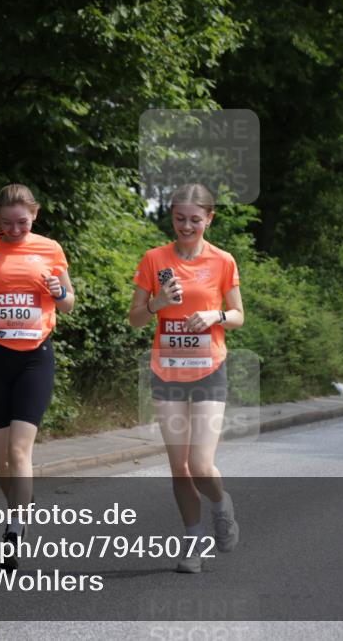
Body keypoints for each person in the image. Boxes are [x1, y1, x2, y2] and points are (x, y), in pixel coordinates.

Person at [0, 183, 74, 570]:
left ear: (34, 215)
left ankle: (14, 528)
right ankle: (20, 505)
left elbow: (69, 304)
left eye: (21, 222)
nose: (14, 230)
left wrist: (58, 292)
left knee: (19, 451)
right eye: (6, 223)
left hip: (35, 358)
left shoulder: (50, 249)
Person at [128, 183, 244, 574]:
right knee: (179, 468)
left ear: (209, 219)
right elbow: (135, 319)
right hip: (167, 371)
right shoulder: (154, 259)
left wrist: (217, 317)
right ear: (171, 217)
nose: (187, 226)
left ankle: (220, 504)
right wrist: (156, 304)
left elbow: (239, 315)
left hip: (209, 368)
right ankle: (193, 542)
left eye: (196, 219)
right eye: (180, 219)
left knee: (199, 463)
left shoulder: (223, 261)